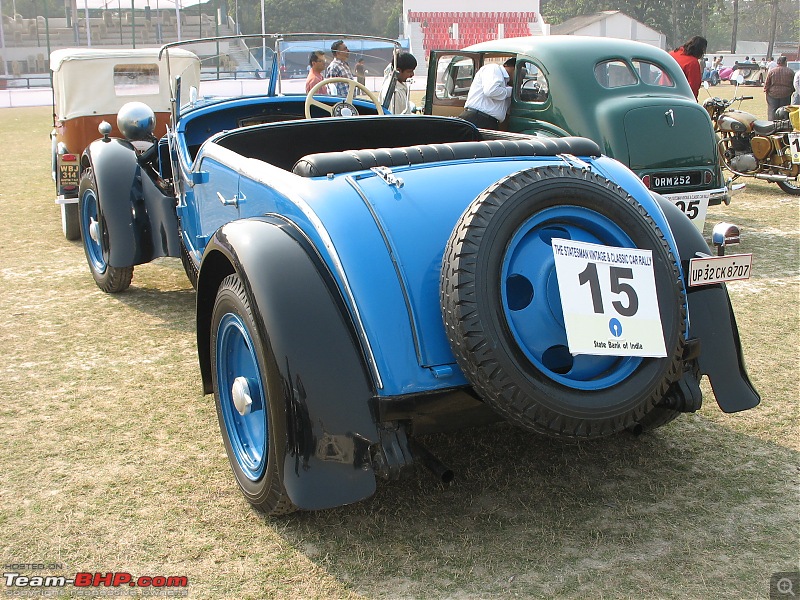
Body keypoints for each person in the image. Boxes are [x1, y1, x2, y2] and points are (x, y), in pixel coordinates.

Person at [458, 58, 516, 130]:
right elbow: (491, 91)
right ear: (513, 67)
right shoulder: (494, 69)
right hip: (478, 118)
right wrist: (511, 91)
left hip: (489, 121)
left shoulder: (506, 83)